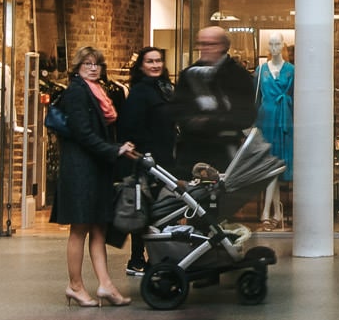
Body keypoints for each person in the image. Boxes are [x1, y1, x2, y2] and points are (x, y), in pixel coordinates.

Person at [51, 46, 138, 308]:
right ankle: (75, 285)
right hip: (80, 170)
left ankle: (105, 285)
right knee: (79, 229)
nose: (93, 67)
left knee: (99, 227)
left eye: (97, 64)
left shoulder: (98, 91)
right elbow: (83, 134)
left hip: (96, 168)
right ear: (77, 66)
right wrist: (116, 150)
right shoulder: (77, 92)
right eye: (87, 63)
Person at [117, 46, 176, 276]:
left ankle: (156, 256)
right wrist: (143, 152)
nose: (155, 65)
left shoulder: (165, 89)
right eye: (150, 61)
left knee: (160, 209)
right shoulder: (140, 92)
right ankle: (138, 258)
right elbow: (130, 126)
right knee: (145, 210)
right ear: (141, 66)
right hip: (148, 160)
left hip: (164, 159)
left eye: (158, 60)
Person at [172, 26, 256, 177]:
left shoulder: (238, 76)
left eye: (210, 44)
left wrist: (209, 121)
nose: (204, 48)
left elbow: (246, 116)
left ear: (223, 46)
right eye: (201, 44)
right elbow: (179, 111)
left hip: (224, 153)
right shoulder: (189, 74)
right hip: (192, 154)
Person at [255, 32, 294, 229]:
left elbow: (296, 97)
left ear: (283, 45)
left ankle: (269, 213)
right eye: (271, 44)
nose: (274, 47)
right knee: (270, 167)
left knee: (276, 166)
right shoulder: (261, 70)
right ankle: (274, 211)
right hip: (266, 120)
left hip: (284, 121)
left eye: (277, 43)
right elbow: (255, 98)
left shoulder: (292, 70)